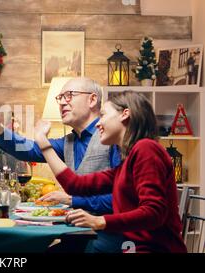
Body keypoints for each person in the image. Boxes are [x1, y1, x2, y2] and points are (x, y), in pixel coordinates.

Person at [0, 77, 122, 252]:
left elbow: (123, 199)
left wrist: (73, 200)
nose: (62, 102)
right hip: (77, 233)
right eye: (60, 97)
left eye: (70, 95)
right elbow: (29, 149)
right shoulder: (68, 142)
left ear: (92, 99)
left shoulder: (113, 137)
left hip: (109, 236)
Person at [35, 91, 187, 253]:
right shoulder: (125, 165)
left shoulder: (146, 149)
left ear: (125, 114)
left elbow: (154, 212)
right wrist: (43, 142)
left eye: (103, 115)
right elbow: (74, 185)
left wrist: (100, 221)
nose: (98, 123)